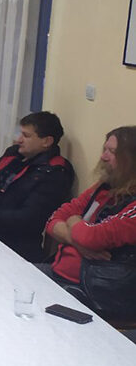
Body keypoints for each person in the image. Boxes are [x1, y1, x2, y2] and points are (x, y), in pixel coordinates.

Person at [0, 111, 75, 262]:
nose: (18, 140)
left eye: (26, 136)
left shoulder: (55, 173)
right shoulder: (14, 154)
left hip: (11, 244)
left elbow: (27, 219)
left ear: (46, 141)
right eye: (20, 133)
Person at [42, 127, 136, 313]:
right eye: (104, 149)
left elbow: (92, 237)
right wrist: (77, 241)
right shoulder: (103, 188)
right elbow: (53, 220)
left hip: (94, 293)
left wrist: (74, 221)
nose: (103, 157)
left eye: (112, 152)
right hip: (59, 273)